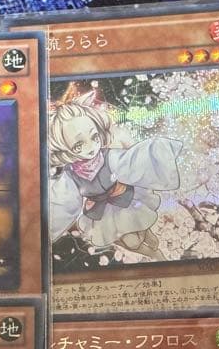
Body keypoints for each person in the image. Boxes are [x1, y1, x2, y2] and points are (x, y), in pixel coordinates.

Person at [48, 87, 182, 260]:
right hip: (101, 212)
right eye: (78, 146)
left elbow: (132, 162)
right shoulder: (70, 174)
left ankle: (150, 239)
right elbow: (63, 202)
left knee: (142, 229)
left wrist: (159, 152)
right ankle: (153, 254)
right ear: (64, 149)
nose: (91, 147)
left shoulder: (109, 156)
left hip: (124, 199)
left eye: (94, 137)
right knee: (131, 242)